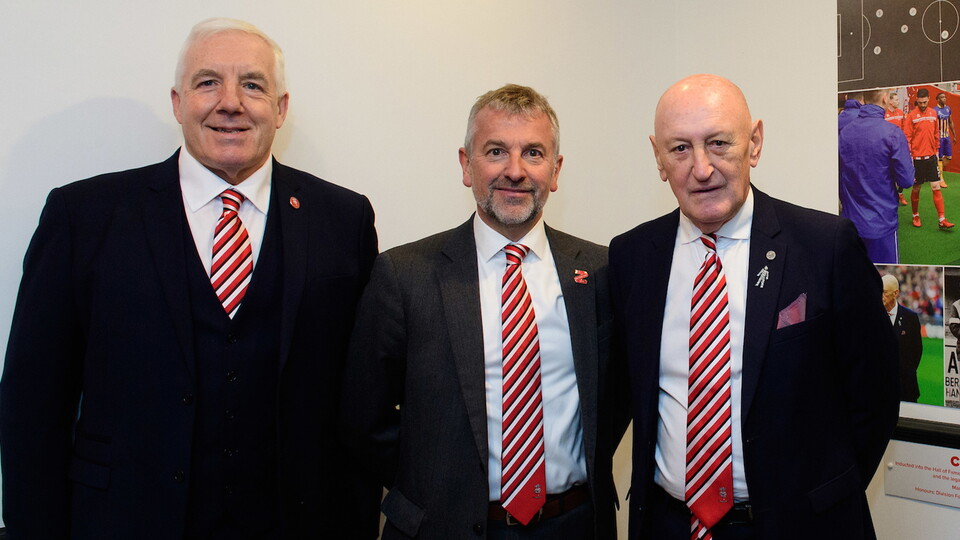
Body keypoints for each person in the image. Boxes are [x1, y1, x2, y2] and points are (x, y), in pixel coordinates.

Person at [0, 18, 378, 539]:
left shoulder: (343, 219)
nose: (231, 102)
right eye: (208, 82)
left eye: (252, 84)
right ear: (178, 103)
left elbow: (360, 402)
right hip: (124, 522)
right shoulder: (83, 216)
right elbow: (32, 405)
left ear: (281, 108)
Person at [609, 74, 899, 540]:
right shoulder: (631, 257)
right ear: (658, 158)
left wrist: (823, 498)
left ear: (755, 143)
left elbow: (876, 396)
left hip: (799, 526)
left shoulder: (825, 247)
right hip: (669, 525)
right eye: (680, 148)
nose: (701, 168)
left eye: (719, 143)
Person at [342, 84, 625, 539]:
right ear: (465, 164)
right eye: (496, 151)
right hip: (442, 526)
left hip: (572, 524)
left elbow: (616, 400)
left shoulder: (601, 271)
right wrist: (432, 485)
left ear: (555, 170)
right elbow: (364, 416)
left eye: (533, 153)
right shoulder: (405, 274)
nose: (515, 171)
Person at [839, 89, 914, 263]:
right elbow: (907, 179)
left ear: (863, 99)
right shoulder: (893, 133)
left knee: (855, 280)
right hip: (882, 223)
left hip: (851, 222)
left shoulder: (845, 132)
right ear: (885, 98)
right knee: (884, 280)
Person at [904, 88, 955, 228]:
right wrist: (909, 156)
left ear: (929, 98)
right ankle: (915, 216)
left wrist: (936, 150)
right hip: (917, 160)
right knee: (916, 188)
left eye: (925, 102)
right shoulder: (911, 116)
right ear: (917, 101)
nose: (922, 105)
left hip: (931, 157)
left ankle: (942, 219)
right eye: (920, 102)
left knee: (936, 186)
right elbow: (907, 137)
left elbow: (936, 133)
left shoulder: (933, 113)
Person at [882, 274, 922, 402]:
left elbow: (916, 352)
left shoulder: (910, 318)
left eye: (884, 293)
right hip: (880, 389)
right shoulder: (873, 316)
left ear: (895, 293)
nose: (880, 296)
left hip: (906, 388)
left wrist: (905, 373)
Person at [885, 90, 910, 205]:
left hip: (899, 148)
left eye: (899, 99)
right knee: (889, 173)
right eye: (896, 100)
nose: (899, 101)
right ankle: (892, 195)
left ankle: (900, 193)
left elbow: (904, 129)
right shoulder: (884, 115)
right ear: (889, 102)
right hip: (887, 149)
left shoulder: (900, 113)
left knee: (901, 171)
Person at [936, 91, 956, 188]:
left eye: (945, 97)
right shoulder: (935, 110)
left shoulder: (948, 109)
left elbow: (951, 122)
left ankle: (938, 171)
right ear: (938, 99)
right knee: (940, 157)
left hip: (947, 137)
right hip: (939, 137)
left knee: (948, 156)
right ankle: (940, 178)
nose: (944, 99)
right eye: (942, 97)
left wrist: (954, 134)